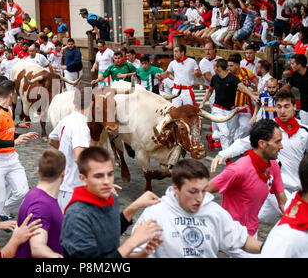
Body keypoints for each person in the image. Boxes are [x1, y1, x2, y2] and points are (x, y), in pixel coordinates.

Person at [211, 89, 308, 225]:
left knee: (259, 216)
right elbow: (244, 143)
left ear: (294, 107)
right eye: (278, 107)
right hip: (277, 188)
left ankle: (236, 224)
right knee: (295, 219)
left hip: (299, 187)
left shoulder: (304, 131)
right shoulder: (270, 130)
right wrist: (222, 154)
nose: (282, 111)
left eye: (286, 106)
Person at [131, 159, 263, 258]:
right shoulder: (155, 213)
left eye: (204, 190)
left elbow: (241, 240)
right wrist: (144, 252)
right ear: (176, 188)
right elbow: (134, 253)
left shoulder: (215, 212)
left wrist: (268, 248)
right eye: (193, 191)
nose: (200, 198)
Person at [60, 146, 164, 258]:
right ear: (83, 179)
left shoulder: (110, 198)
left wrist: (134, 207)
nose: (106, 181)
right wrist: (132, 242)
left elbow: (108, 233)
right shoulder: (76, 216)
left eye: (110, 174)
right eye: (98, 176)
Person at [207, 119, 286, 257]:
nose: (281, 146)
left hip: (252, 231)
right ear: (262, 144)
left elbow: (283, 202)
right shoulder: (238, 170)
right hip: (233, 236)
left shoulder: (273, 166)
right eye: (277, 141)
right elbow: (204, 190)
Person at [0, 80, 38, 225]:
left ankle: (4, 211)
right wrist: (15, 142)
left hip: (12, 159)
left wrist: (20, 135)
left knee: (23, 191)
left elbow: (7, 133)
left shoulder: (7, 110)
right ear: (12, 95)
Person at [15, 149, 66, 258]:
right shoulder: (41, 205)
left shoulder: (34, 194)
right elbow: (37, 248)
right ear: (63, 173)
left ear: (38, 171)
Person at [200, 58, 258, 151]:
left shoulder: (232, 78)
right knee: (225, 133)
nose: (213, 68)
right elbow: (210, 91)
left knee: (230, 135)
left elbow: (242, 87)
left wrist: (252, 96)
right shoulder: (214, 78)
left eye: (214, 66)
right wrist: (202, 102)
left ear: (219, 68)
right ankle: (226, 158)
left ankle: (212, 137)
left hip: (231, 110)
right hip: (218, 109)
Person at [48, 88, 91, 211]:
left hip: (63, 182)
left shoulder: (66, 119)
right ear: (91, 103)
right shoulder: (81, 126)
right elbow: (79, 156)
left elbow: (52, 140)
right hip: (73, 186)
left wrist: (66, 151)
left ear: (73, 101)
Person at [260, 153, 308, 257]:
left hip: (294, 189)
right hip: (281, 189)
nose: (280, 146)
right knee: (262, 215)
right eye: (277, 141)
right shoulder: (286, 237)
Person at [228, 53, 259, 140]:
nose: (229, 68)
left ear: (237, 66)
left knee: (247, 127)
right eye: (228, 66)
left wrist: (252, 87)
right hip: (231, 107)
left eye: (231, 66)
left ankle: (238, 146)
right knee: (229, 132)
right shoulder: (227, 75)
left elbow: (257, 82)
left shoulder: (245, 71)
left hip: (244, 106)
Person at [281, 54, 308, 124]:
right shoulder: (295, 75)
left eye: (292, 63)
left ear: (299, 65)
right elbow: (288, 86)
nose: (291, 66)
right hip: (304, 109)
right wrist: (277, 92)